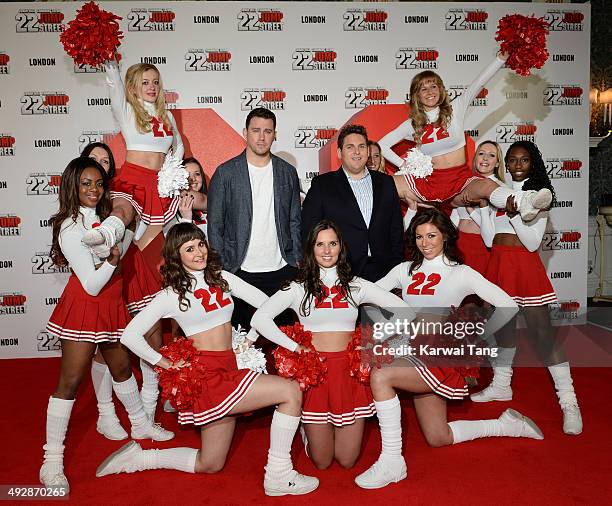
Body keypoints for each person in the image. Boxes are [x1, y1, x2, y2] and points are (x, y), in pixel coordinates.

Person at [95, 223, 318, 497]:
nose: (199, 252)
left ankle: (141, 458)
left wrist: (249, 337)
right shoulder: (170, 295)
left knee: (210, 463)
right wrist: (164, 363)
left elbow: (265, 303)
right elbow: (130, 335)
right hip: (207, 376)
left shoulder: (221, 277)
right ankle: (279, 475)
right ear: (176, 256)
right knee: (290, 391)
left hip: (231, 366)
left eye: (201, 244)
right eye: (189, 249)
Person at [354, 208, 545, 490]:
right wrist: (383, 321)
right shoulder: (403, 270)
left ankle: (392, 461)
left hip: (439, 354)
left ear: (445, 236)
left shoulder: (461, 273)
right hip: (408, 348)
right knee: (438, 436)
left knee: (381, 376)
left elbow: (509, 304)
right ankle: (506, 425)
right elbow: (367, 296)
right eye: (419, 237)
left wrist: (476, 335)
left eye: (432, 235)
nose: (425, 242)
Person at [39, 158, 173, 492]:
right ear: (72, 185)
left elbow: (126, 244)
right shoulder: (69, 227)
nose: (94, 190)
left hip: (113, 303)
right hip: (86, 306)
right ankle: (51, 461)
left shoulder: (105, 218)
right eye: (86, 183)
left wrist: (122, 240)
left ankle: (140, 425)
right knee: (69, 382)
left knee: (122, 366)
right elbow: (92, 284)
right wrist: (113, 259)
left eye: (99, 183)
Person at [252, 220, 415, 470]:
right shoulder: (297, 288)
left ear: (341, 247)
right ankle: (307, 434)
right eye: (320, 244)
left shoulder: (357, 285)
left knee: (347, 460)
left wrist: (374, 342)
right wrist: (294, 347)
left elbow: (406, 313)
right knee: (322, 461)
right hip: (314, 373)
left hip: (349, 372)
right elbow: (259, 319)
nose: (327, 250)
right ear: (311, 249)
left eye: (332, 243)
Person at [471, 141, 583, 436]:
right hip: (499, 266)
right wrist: (484, 211)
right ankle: (501, 385)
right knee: (503, 330)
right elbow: (489, 239)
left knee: (543, 335)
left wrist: (514, 215)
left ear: (533, 163)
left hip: (524, 268)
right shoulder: (501, 196)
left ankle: (569, 401)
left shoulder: (539, 198)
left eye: (524, 160)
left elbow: (533, 243)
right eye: (512, 160)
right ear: (505, 165)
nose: (518, 165)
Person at [378, 52, 551, 221]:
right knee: (382, 185)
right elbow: (381, 145)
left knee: (487, 186)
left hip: (459, 178)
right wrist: (404, 165)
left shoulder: (455, 109)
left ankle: (525, 201)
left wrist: (500, 59)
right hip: (429, 181)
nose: (430, 91)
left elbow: (479, 82)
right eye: (423, 88)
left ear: (441, 90)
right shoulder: (412, 124)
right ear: (416, 95)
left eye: (434, 86)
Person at [80, 141, 168, 439]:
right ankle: (105, 414)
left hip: (133, 269)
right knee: (108, 344)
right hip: (105, 276)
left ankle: (147, 408)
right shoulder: (80, 202)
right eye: (95, 159)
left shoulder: (122, 190)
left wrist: (128, 244)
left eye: (106, 160)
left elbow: (143, 226)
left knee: (153, 333)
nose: (102, 164)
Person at [81, 59, 205, 255]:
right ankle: (105, 236)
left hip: (160, 183)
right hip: (134, 178)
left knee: (174, 234)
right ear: (133, 87)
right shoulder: (127, 111)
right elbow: (114, 85)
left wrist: (170, 171)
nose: (152, 87)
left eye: (156, 82)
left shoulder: (167, 116)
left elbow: (179, 146)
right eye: (145, 82)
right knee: (122, 211)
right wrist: (110, 61)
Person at [207, 107, 302, 331]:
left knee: (284, 340)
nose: (261, 137)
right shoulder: (225, 173)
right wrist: (221, 266)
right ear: (245, 132)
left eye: (268, 131)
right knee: (245, 343)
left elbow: (295, 220)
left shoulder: (287, 172)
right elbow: (215, 225)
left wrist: (297, 258)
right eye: (256, 130)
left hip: (282, 269)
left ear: (274, 135)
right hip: (239, 270)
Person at [301, 124, 403, 282]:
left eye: (361, 146)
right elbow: (309, 230)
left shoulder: (386, 182)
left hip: (385, 272)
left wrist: (397, 266)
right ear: (340, 153)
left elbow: (395, 228)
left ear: (368, 151)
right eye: (350, 147)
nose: (357, 152)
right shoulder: (322, 185)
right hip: (341, 272)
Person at [449, 140, 506, 277]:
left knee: (477, 295)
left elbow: (491, 235)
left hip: (480, 247)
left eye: (491, 155)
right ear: (475, 159)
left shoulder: (501, 190)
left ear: (497, 163)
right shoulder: (465, 183)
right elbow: (454, 217)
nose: (485, 158)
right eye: (481, 153)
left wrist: (471, 210)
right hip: (458, 244)